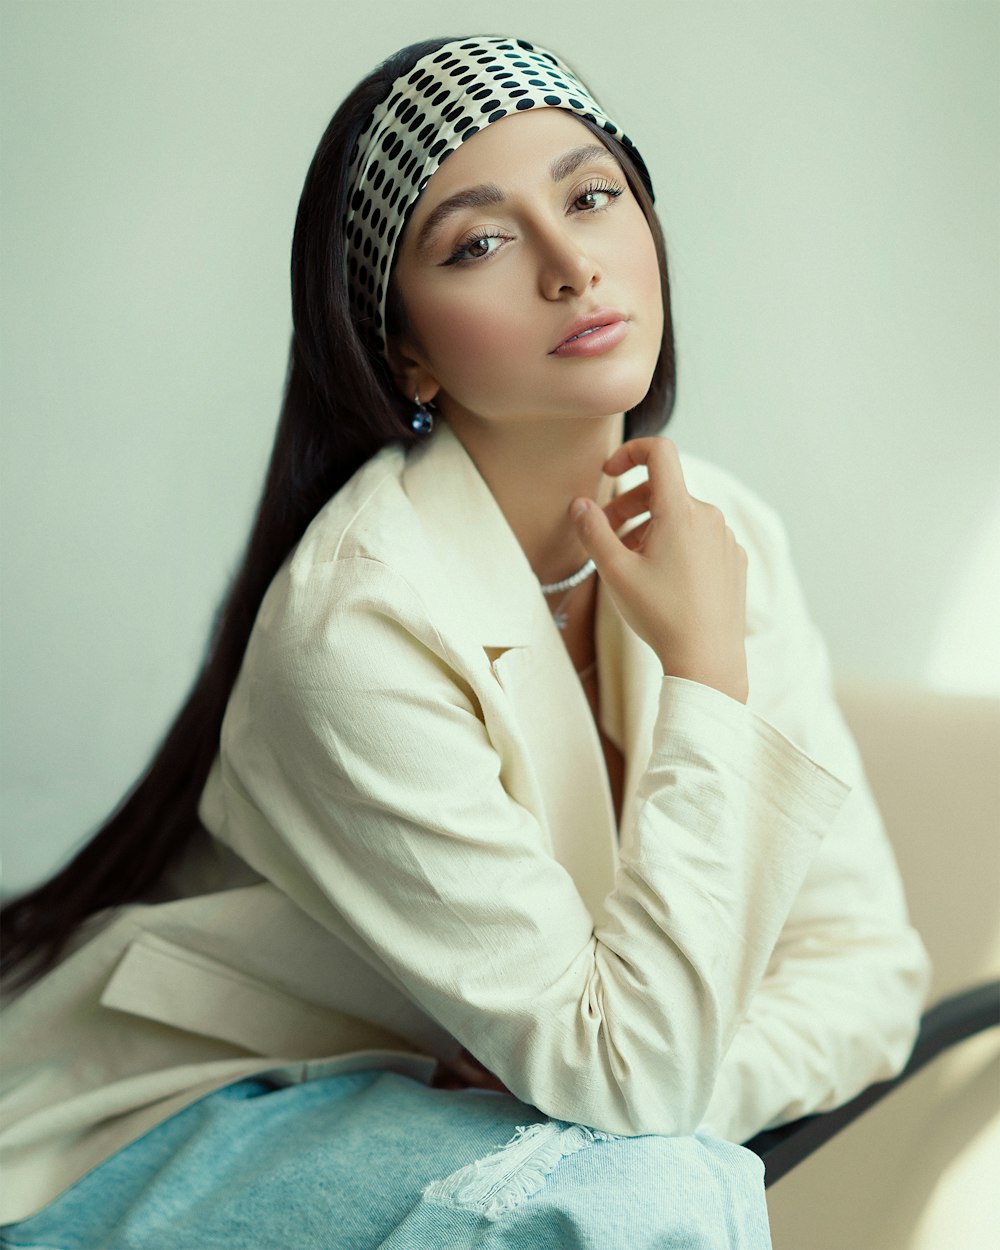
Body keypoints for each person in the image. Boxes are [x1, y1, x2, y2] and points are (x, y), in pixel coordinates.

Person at [0, 33, 931, 1249]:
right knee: (643, 1188)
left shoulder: (723, 534)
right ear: (406, 354)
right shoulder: (357, 617)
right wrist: (706, 674)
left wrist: (630, 1084)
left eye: (592, 196)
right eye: (479, 242)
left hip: (473, 1116)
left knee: (655, 1166)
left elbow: (868, 972)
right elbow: (626, 1082)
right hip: (204, 1122)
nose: (569, 265)